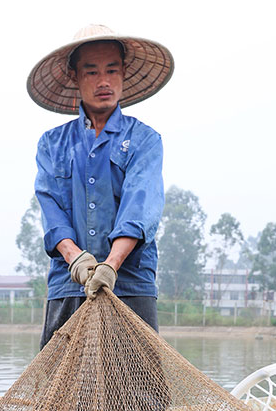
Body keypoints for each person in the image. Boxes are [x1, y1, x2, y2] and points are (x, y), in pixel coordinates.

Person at [26, 25, 174, 348]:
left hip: (129, 285)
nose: (103, 81)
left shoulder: (144, 141)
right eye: (91, 71)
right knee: (62, 392)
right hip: (69, 285)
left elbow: (140, 208)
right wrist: (77, 260)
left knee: (138, 394)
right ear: (75, 77)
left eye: (111, 70)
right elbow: (52, 212)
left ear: (124, 73)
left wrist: (110, 266)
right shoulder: (52, 145)